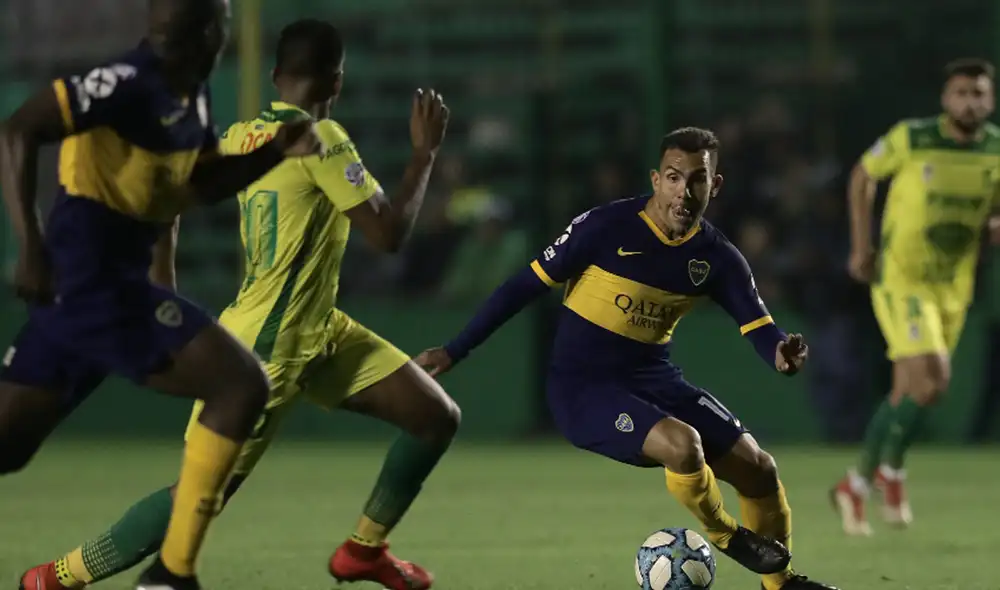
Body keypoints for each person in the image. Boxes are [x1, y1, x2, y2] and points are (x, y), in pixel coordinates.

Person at [18, 18, 456, 590]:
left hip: (318, 329)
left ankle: (363, 552)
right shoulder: (322, 140)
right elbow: (389, 234)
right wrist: (424, 156)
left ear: (275, 76)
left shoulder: (240, 135)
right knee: (201, 495)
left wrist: (163, 278)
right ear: (337, 82)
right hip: (267, 343)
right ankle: (54, 578)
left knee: (433, 417)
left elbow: (168, 197)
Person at [415, 127, 838, 590]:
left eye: (697, 180)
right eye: (674, 178)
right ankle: (725, 534)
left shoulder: (717, 258)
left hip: (655, 380)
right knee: (683, 444)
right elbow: (522, 287)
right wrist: (457, 348)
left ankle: (781, 586)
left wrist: (779, 352)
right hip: (583, 389)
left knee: (759, 468)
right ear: (656, 179)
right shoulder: (604, 227)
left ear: (714, 186)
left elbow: (758, 325)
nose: (684, 191)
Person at [0, 1, 324, 589]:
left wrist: (274, 151)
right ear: (208, 31)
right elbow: (20, 127)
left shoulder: (189, 93)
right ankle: (172, 575)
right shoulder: (126, 83)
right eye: (224, 20)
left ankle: (170, 575)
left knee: (7, 448)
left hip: (99, 289)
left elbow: (199, 184)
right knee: (241, 384)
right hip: (90, 282)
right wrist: (31, 246)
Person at [833, 57, 1000, 536]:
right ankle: (894, 474)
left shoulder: (994, 150)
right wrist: (862, 245)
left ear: (990, 100)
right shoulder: (912, 137)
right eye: (961, 92)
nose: (970, 101)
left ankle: (856, 485)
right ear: (946, 99)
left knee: (909, 392)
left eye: (979, 94)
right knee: (933, 383)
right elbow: (863, 176)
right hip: (902, 277)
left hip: (955, 285)